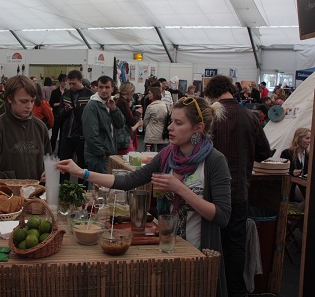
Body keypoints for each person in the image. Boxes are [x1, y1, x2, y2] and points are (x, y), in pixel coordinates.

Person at [57, 96, 231, 297]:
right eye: (171, 121)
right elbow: (129, 181)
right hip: (169, 250)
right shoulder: (168, 155)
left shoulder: (215, 161)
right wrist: (82, 173)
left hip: (199, 255)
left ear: (198, 127)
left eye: (178, 123)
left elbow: (222, 216)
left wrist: (180, 188)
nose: (170, 128)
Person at [204, 74, 271, 297]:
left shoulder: (210, 116)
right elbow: (263, 152)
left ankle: (211, 288)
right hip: (239, 191)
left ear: (211, 94)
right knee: (236, 245)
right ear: (231, 90)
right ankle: (235, 291)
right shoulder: (249, 116)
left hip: (210, 192)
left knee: (209, 244)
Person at [0, 75, 51, 180]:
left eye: (32, 101)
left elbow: (48, 161)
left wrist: (47, 173)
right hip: (7, 195)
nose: (29, 106)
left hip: (37, 195)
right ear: (9, 98)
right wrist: (12, 179)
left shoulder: (40, 127)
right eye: (24, 101)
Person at [82, 76, 125, 173]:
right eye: (101, 87)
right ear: (97, 88)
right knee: (100, 186)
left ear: (112, 89)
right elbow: (91, 135)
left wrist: (114, 109)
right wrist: (102, 154)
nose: (104, 90)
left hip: (109, 154)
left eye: (107, 87)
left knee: (106, 185)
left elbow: (120, 124)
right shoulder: (92, 106)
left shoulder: (110, 104)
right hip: (98, 157)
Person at [58, 70, 93, 185]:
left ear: (80, 80)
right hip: (66, 135)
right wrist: (65, 110)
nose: (72, 86)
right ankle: (63, 190)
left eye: (74, 83)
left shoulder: (90, 95)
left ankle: (82, 192)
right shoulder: (66, 94)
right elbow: (59, 114)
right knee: (63, 166)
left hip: (81, 136)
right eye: (70, 84)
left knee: (82, 166)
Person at [280, 128, 310, 207]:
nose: (309, 141)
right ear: (299, 138)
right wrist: (292, 172)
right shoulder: (286, 153)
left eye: (310, 138)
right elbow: (281, 172)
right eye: (307, 138)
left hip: (305, 186)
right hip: (292, 187)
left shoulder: (308, 156)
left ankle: (302, 208)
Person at [115, 81, 142, 154]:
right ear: (130, 92)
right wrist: (138, 113)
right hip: (124, 137)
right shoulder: (122, 103)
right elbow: (131, 121)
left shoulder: (120, 101)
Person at [144, 87, 170, 152]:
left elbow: (145, 121)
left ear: (154, 95)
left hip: (151, 133)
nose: (148, 95)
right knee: (162, 154)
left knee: (148, 154)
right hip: (163, 133)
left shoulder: (150, 107)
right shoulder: (166, 106)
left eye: (150, 93)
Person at [49, 73, 67, 153]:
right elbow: (51, 103)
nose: (65, 83)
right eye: (63, 81)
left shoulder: (68, 92)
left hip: (65, 116)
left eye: (66, 81)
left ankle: (60, 152)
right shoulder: (55, 92)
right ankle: (51, 150)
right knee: (54, 135)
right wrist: (60, 104)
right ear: (60, 82)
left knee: (63, 136)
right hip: (56, 115)